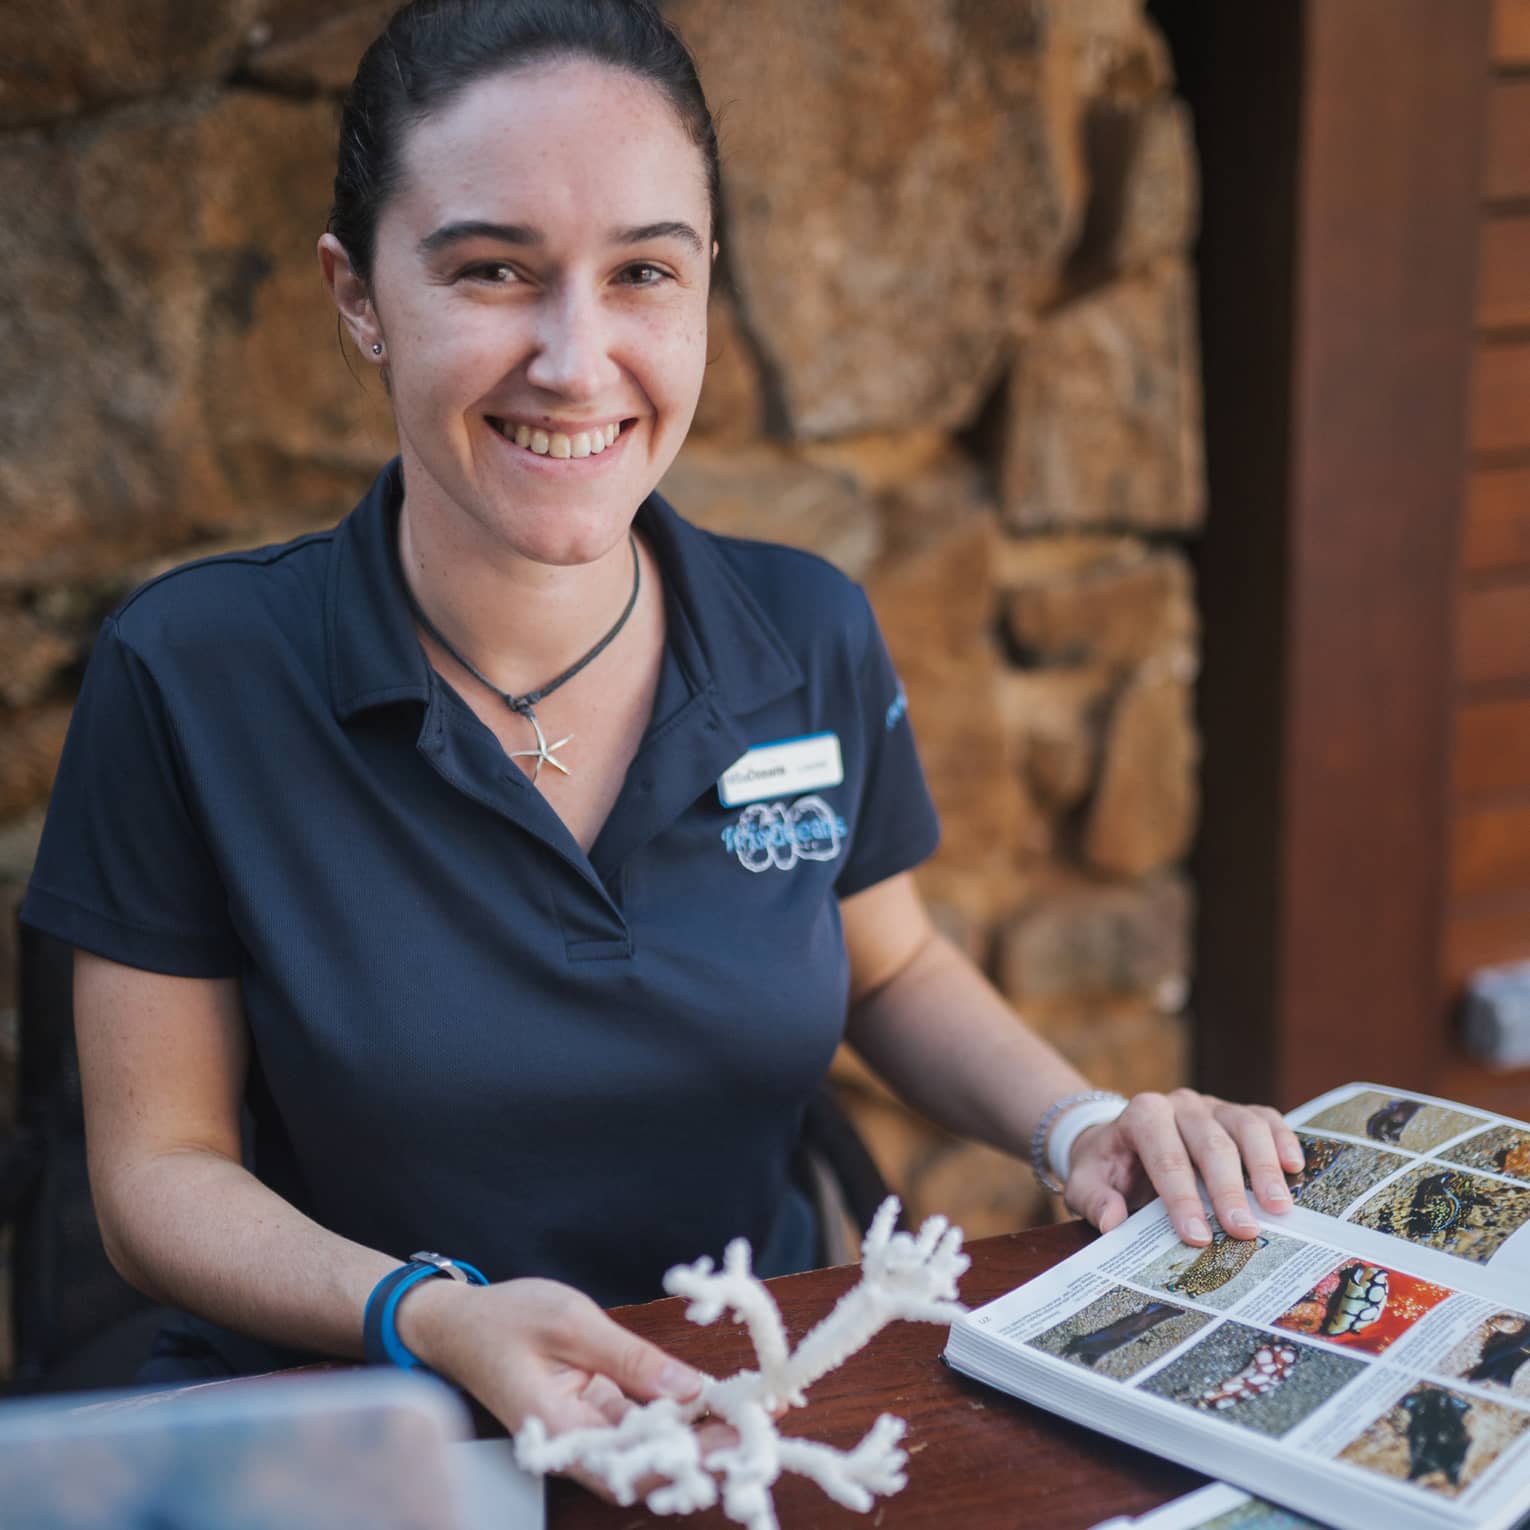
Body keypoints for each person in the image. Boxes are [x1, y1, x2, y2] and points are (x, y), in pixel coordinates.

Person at [20, 0, 1302, 1454]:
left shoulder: (806, 627)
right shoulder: (189, 672)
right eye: (492, 270)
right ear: (359, 295)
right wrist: (428, 1312)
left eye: (642, 272)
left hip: (749, 1411)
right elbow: (154, 1177)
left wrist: (1080, 1125)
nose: (576, 359)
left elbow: (886, 965)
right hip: (370, 1423)